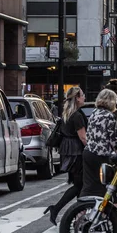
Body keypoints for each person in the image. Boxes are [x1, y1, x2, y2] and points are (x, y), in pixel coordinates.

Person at [44, 87, 87, 225]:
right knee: (80, 185)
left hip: (67, 152)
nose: (84, 97)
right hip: (77, 153)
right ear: (77, 98)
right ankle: (60, 210)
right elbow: (83, 138)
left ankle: (78, 215)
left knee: (78, 185)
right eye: (82, 95)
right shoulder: (77, 116)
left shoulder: (67, 114)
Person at [80, 89, 117, 200]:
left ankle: (81, 211)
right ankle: (103, 212)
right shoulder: (109, 116)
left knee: (88, 186)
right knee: (104, 187)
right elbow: (113, 141)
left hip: (88, 152)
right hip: (100, 155)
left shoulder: (94, 113)